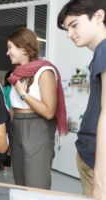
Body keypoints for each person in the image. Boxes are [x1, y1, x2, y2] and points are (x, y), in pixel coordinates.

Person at [6, 27, 67, 189]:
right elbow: (14, 107)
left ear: (24, 49)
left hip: (37, 127)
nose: (7, 52)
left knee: (36, 181)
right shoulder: (17, 74)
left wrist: (23, 94)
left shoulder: (45, 71)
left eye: (10, 47)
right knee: (20, 180)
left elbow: (48, 112)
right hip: (17, 126)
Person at [57, 0, 106, 198]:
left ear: (98, 16)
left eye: (74, 25)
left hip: (97, 161)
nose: (69, 34)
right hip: (89, 155)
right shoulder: (99, 54)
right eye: (66, 29)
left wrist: (100, 183)